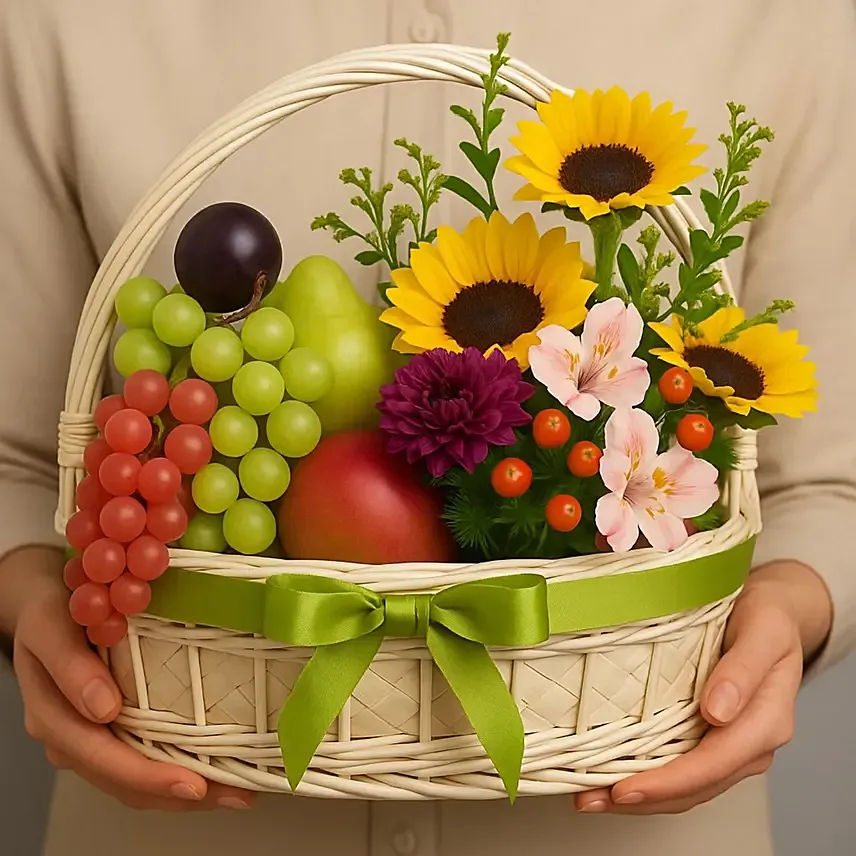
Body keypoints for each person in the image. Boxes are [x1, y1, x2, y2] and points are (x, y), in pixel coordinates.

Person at [1, 1, 854, 854]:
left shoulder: (790, 19)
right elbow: (16, 462)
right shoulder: (63, 17)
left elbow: (830, 483)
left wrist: (790, 609)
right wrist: (29, 605)